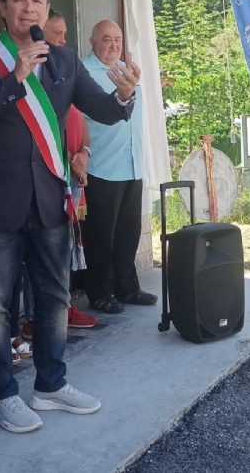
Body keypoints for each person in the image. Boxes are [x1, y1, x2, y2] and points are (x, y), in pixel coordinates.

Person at [0, 0, 139, 434]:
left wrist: (125, 94)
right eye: (19, 0)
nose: (28, 8)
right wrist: (16, 77)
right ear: (3, 7)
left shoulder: (64, 59)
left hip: (50, 201)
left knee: (55, 300)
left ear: (45, 5)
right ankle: (1, 394)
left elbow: (103, 109)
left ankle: (51, 385)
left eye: (36, 0)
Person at [15, 11, 97, 341]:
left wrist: (83, 154)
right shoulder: (34, 80)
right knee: (39, 255)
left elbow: (82, 123)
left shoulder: (66, 72)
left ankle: (62, 307)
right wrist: (68, 162)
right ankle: (35, 317)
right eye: (56, 34)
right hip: (47, 178)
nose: (63, 40)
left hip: (71, 174)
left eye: (64, 34)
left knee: (64, 250)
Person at [78, 20, 156, 313]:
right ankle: (100, 292)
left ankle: (127, 287)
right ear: (92, 42)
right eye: (106, 39)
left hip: (131, 164)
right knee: (100, 236)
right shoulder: (83, 72)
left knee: (128, 232)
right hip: (101, 166)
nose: (113, 45)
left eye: (118, 40)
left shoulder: (128, 71)